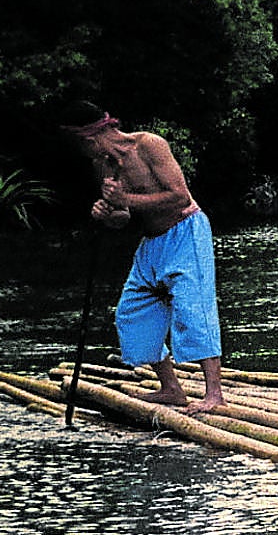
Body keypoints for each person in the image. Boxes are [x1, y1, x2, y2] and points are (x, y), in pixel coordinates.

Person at [60, 100, 226, 413]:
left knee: (194, 309)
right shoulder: (103, 165)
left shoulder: (149, 144)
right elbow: (123, 216)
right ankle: (171, 388)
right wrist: (108, 213)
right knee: (132, 313)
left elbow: (180, 195)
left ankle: (214, 394)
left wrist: (126, 199)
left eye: (78, 146)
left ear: (88, 140)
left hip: (185, 231)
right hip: (152, 242)